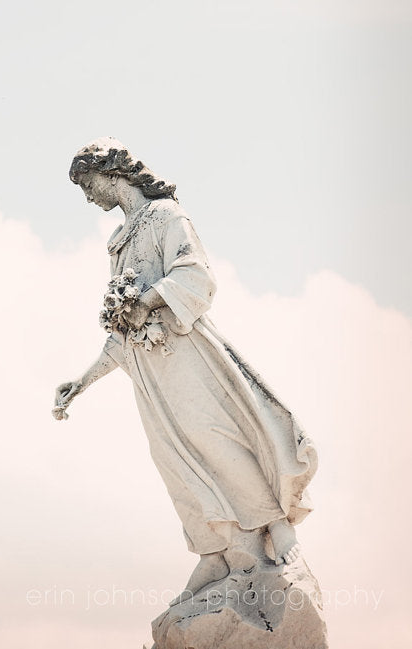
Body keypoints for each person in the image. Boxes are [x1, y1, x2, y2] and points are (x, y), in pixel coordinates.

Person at [54, 137, 318, 603]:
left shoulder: (166, 217)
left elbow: (197, 276)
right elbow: (122, 334)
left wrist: (146, 299)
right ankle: (215, 551)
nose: (88, 197)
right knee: (173, 460)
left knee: (217, 441)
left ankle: (278, 532)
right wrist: (83, 381)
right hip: (152, 375)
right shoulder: (118, 243)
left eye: (89, 184)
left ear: (113, 173)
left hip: (185, 356)